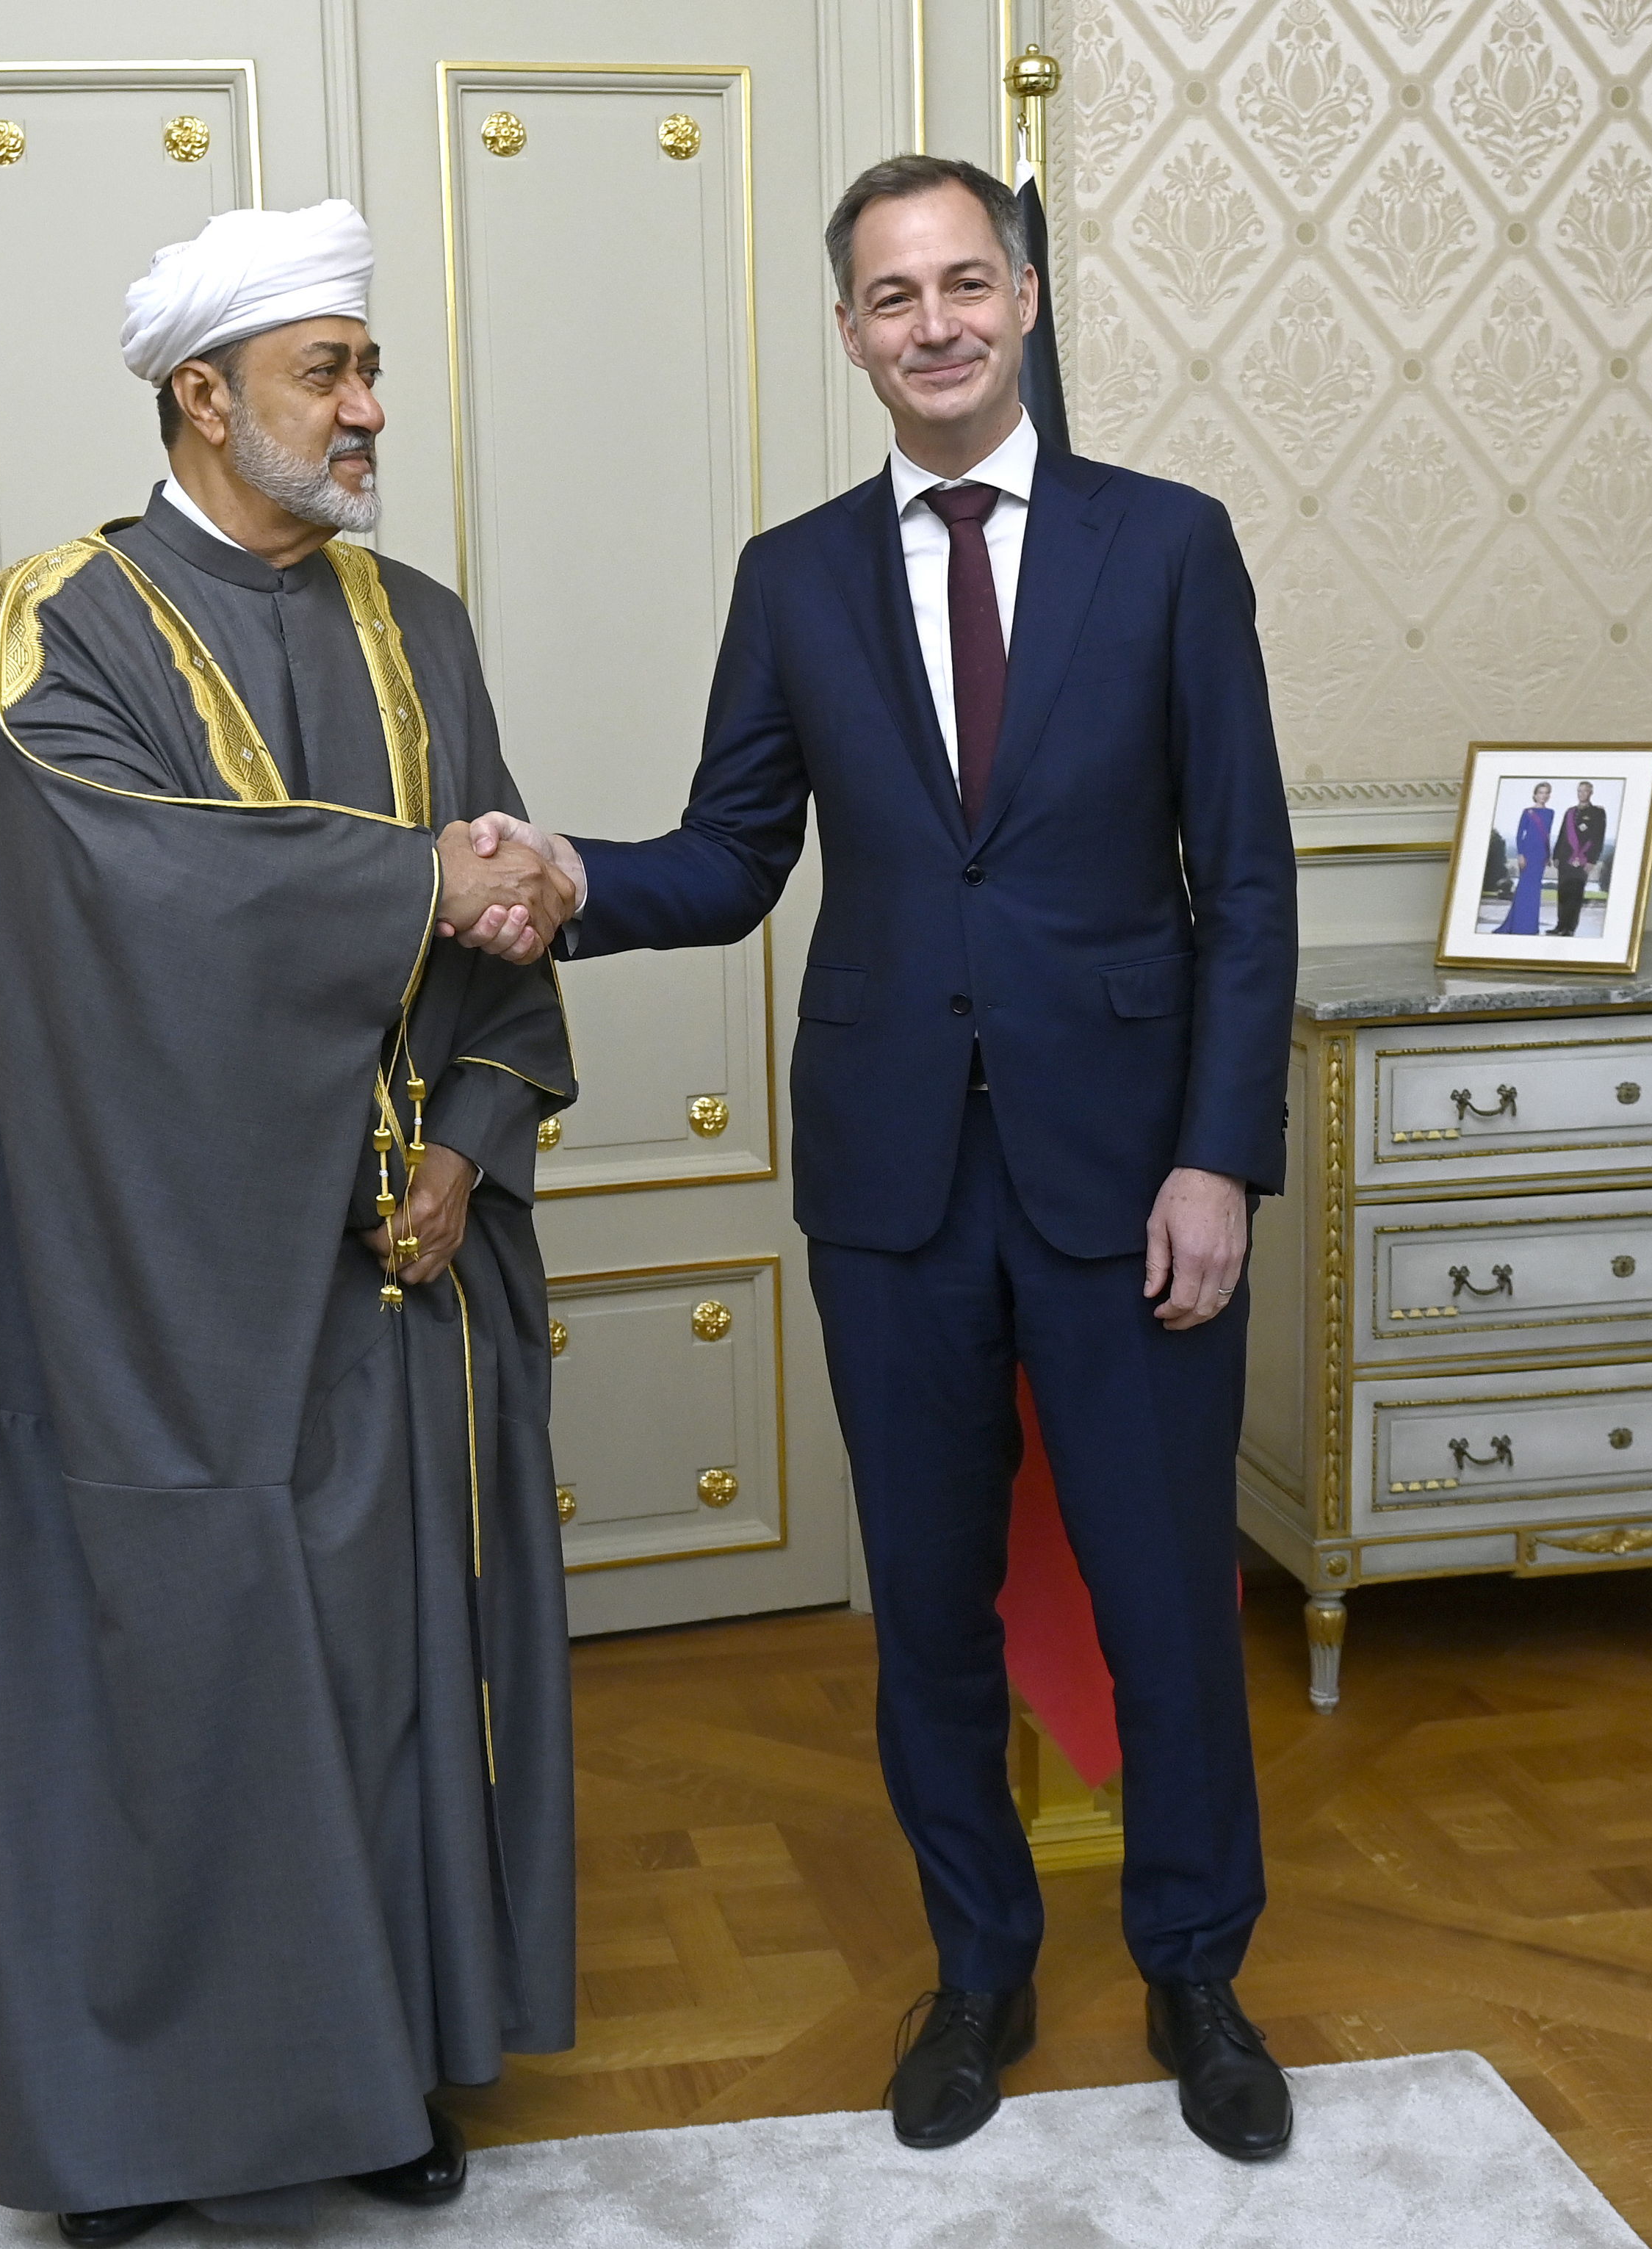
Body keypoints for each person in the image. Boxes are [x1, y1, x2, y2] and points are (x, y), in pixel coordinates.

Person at [460, 155, 1300, 2163]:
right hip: (896, 1187)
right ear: (848, 331)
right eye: (889, 295)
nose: (932, 322)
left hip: (1130, 1180)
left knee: (1166, 1602)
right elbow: (739, 852)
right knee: (925, 1604)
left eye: (965, 282)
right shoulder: (798, 572)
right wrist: (575, 875)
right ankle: (982, 1968)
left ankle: (1197, 1969)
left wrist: (1219, 1160)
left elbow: (1246, 884)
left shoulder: (1169, 547)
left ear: (1022, 298)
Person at [0, 198, 582, 2245]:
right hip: (170, 1288)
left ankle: (376, 2065)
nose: (370, 409)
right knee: (195, 1674)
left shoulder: (426, 625)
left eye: (369, 367)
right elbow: (135, 894)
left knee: (394, 1675)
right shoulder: (54, 619)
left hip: (410, 1274)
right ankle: (150, 2126)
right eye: (331, 372)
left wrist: (466, 1145)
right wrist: (415, 882)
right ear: (203, 396)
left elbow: (502, 957)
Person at [1496, 782, 1554, 936]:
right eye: (1541, 792)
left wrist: (1548, 855)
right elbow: (1520, 834)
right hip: (1528, 853)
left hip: (1541, 856)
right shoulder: (1528, 812)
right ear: (1535, 795)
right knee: (1524, 889)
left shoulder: (1551, 813)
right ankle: (1519, 925)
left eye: (1547, 793)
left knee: (1535, 890)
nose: (1544, 795)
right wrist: (1521, 854)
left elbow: (1547, 836)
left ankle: (1530, 926)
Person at [1552, 780, 1606, 937]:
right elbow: (1562, 835)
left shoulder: (1598, 813)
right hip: (1565, 858)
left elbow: (1598, 838)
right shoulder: (1570, 812)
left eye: (1585, 791)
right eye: (1580, 791)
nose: (1582, 794)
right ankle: (1560, 926)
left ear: (1591, 793)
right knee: (1562, 893)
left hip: (1583, 859)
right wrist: (1556, 856)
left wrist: (1592, 860)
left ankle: (1570, 928)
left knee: (1575, 894)